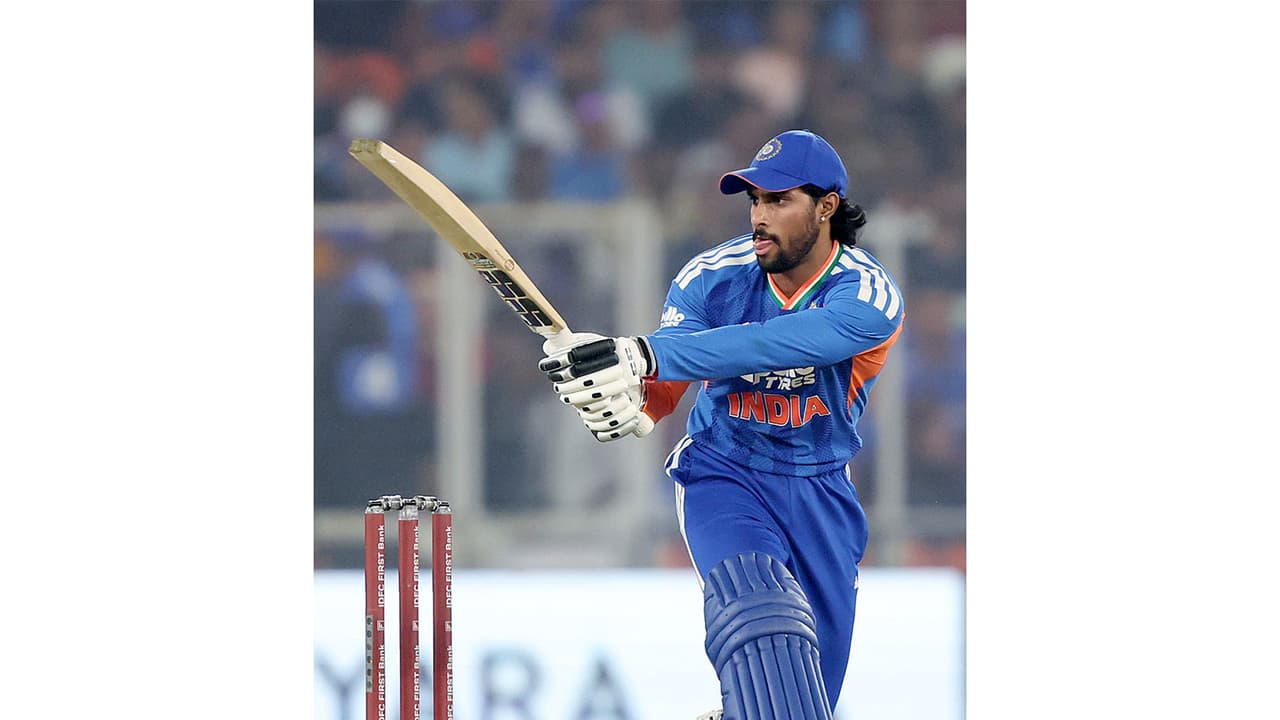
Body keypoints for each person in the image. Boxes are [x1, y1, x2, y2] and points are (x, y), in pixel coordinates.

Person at [538, 130, 905, 719]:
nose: (759, 216)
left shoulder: (867, 294)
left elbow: (778, 343)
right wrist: (627, 400)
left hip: (822, 492)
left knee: (805, 703)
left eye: (779, 200)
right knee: (762, 615)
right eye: (754, 200)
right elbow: (668, 377)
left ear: (827, 207)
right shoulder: (710, 276)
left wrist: (643, 353)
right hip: (725, 472)